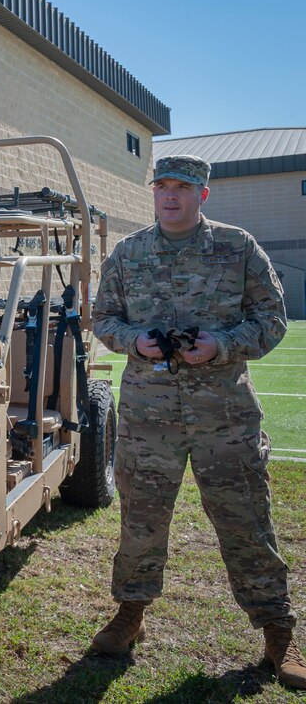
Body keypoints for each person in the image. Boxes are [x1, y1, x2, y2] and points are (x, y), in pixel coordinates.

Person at [91, 154, 305, 688]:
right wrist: (133, 341)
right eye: (161, 186)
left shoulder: (238, 248)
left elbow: (272, 318)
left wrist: (223, 345)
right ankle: (130, 615)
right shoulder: (128, 252)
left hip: (225, 416)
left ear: (202, 194)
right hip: (147, 417)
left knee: (247, 524)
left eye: (181, 188)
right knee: (140, 525)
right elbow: (103, 318)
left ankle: (279, 633)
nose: (169, 196)